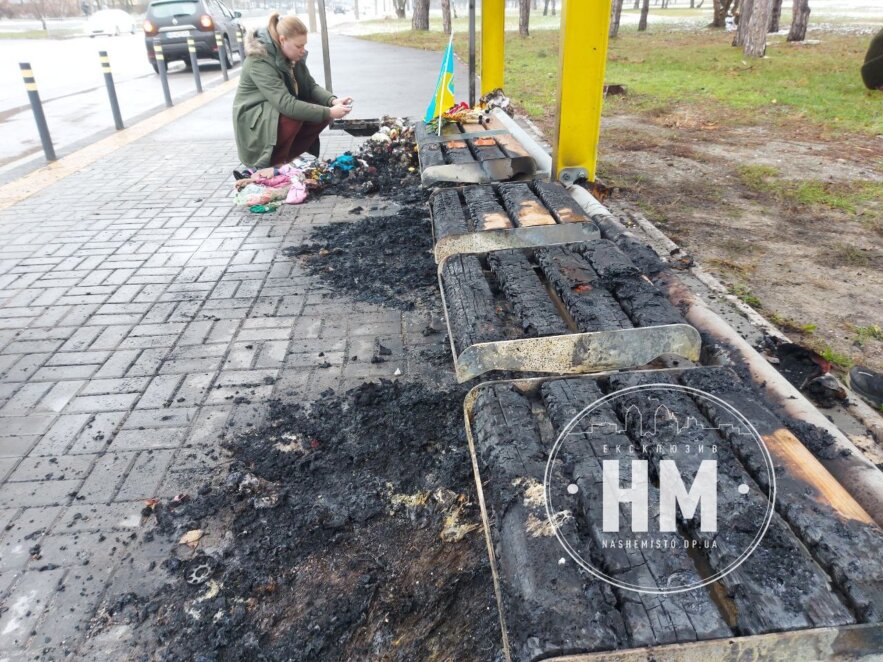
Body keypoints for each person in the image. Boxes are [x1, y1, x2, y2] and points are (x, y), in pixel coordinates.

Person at [233, 13, 353, 172]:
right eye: (299, 46)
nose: (303, 50)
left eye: (304, 45)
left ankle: (286, 158)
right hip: (253, 122)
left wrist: (332, 102)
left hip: (272, 114)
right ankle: (272, 164)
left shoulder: (291, 54)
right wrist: (329, 112)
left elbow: (309, 86)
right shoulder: (259, 60)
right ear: (282, 40)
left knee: (319, 110)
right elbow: (285, 104)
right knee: (299, 115)